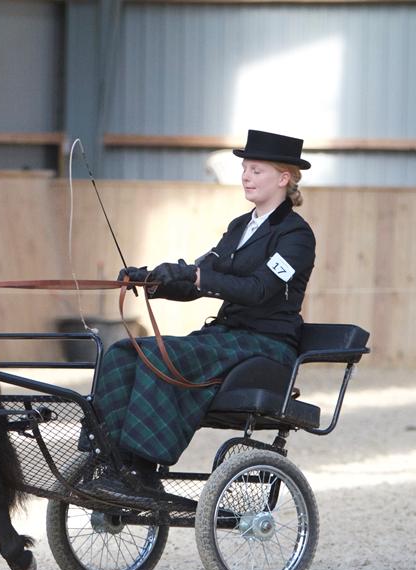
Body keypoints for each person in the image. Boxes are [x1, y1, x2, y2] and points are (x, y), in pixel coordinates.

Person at [87, 129, 315, 496]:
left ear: (283, 178)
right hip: (227, 337)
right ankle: (110, 458)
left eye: (256, 170)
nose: (246, 176)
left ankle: (144, 468)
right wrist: (154, 280)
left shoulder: (295, 236)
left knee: (164, 356)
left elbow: (257, 290)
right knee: (124, 352)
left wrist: (197, 276)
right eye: (245, 168)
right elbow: (204, 274)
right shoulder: (241, 227)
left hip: (267, 344)